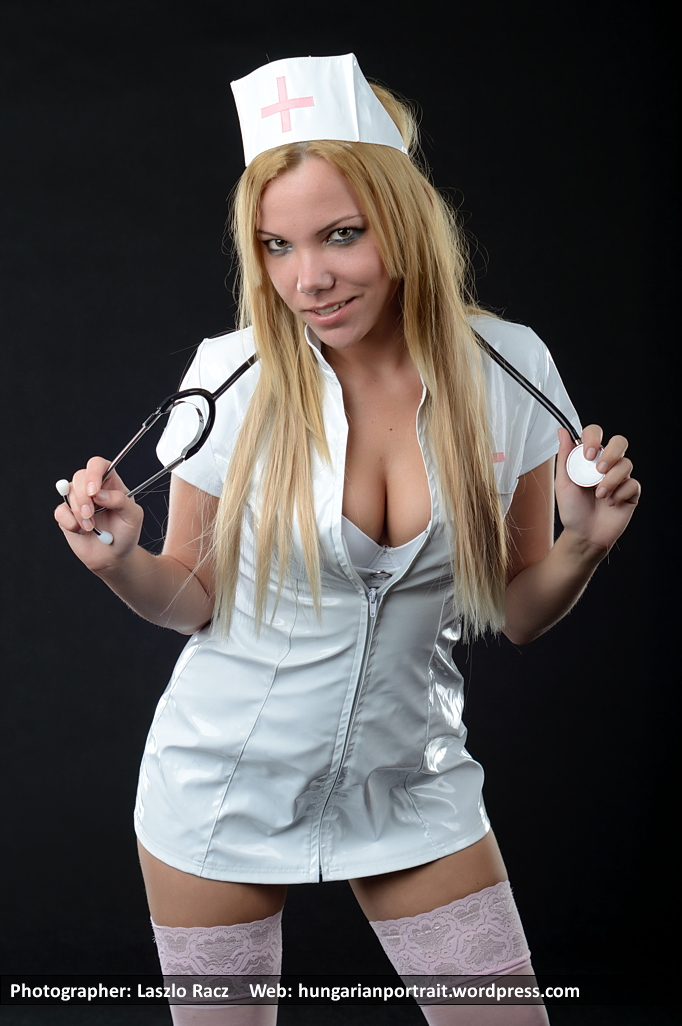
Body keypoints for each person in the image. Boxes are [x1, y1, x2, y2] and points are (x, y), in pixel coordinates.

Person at [54, 55, 639, 1025]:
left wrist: (585, 545)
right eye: (276, 246)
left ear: (404, 222)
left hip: (411, 780)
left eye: (341, 235)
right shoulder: (232, 374)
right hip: (220, 784)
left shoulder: (509, 366)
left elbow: (521, 612)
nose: (308, 278)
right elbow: (192, 595)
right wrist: (121, 563)